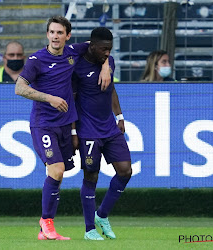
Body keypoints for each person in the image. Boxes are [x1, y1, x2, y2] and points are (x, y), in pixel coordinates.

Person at [15, 16, 111, 241]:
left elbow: (99, 48)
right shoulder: (36, 60)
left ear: (67, 35)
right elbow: (19, 88)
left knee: (60, 173)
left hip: (66, 126)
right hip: (43, 124)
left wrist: (105, 66)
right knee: (56, 170)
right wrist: (49, 98)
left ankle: (45, 230)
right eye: (52, 32)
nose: (55, 37)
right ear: (47, 34)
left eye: (60, 33)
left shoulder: (72, 52)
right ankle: (46, 222)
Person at [72, 27, 132, 240]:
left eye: (110, 49)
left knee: (125, 171)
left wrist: (120, 116)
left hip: (109, 127)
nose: (108, 53)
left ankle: (102, 215)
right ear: (92, 46)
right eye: (104, 49)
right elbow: (72, 99)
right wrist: (73, 131)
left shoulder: (109, 61)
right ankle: (89, 229)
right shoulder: (77, 65)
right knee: (91, 176)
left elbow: (111, 89)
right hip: (88, 130)